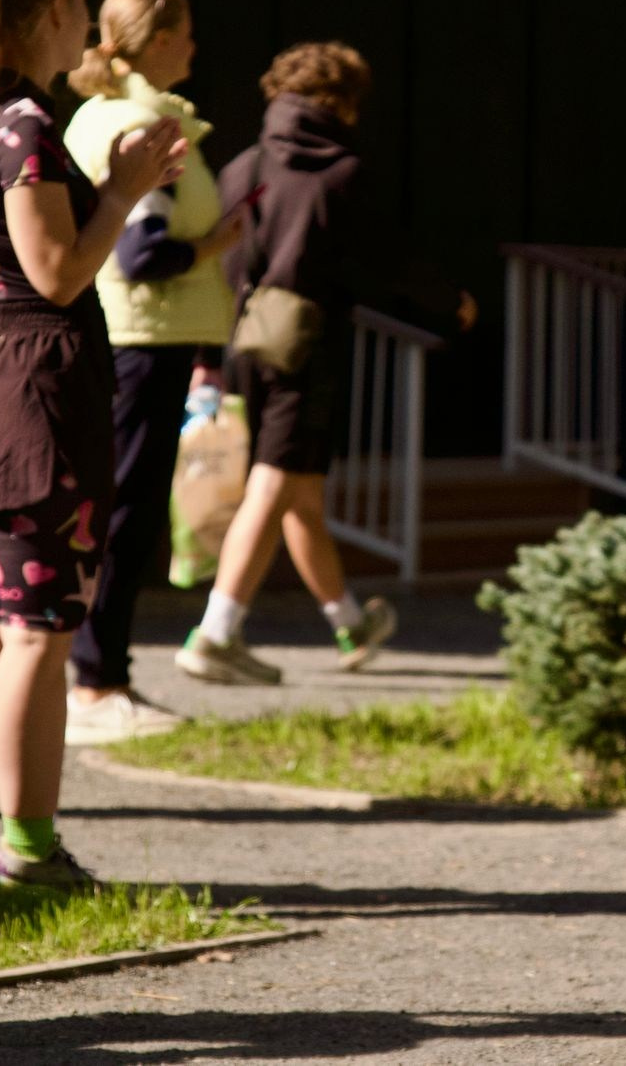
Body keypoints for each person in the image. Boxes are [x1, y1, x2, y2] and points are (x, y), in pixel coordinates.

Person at [0, 0, 186, 889]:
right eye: (78, 5)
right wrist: (125, 189)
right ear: (54, 10)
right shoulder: (23, 123)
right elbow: (58, 273)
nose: (87, 24)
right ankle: (27, 850)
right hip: (32, 392)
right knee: (36, 628)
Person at [178, 42, 475, 685]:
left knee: (300, 494)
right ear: (340, 101)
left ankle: (351, 623)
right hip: (305, 348)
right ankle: (216, 632)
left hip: (240, 345)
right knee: (275, 480)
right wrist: (452, 305)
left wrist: (208, 357)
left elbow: (215, 268)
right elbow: (390, 259)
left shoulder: (244, 166)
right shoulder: (342, 173)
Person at [58, 0, 241, 745]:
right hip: (141, 338)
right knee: (126, 512)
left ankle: (100, 673)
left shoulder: (102, 113)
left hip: (126, 334)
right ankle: (97, 680)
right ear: (160, 40)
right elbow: (146, 253)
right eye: (189, 29)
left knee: (112, 507)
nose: (197, 45)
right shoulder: (144, 124)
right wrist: (222, 242)